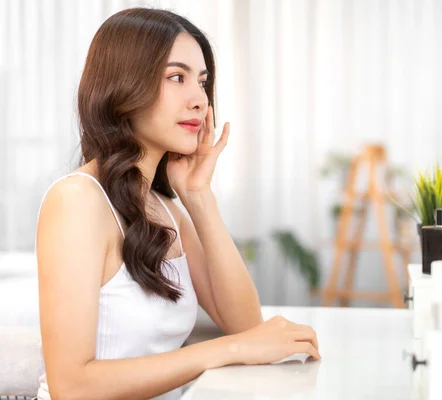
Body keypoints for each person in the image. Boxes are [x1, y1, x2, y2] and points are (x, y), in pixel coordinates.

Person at [35, 7, 320, 400]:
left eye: (202, 82)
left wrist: (199, 197)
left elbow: (244, 324)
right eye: (176, 77)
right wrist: (225, 350)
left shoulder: (164, 207)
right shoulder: (77, 200)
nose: (199, 100)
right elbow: (72, 385)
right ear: (124, 87)